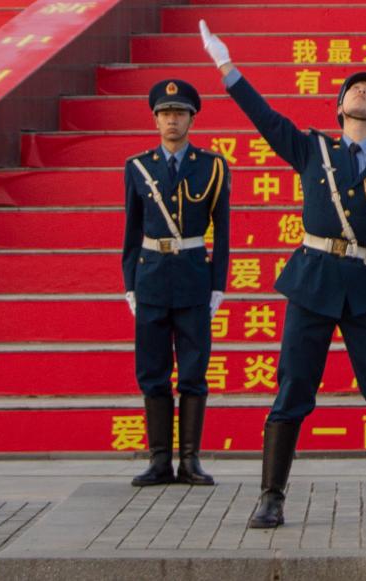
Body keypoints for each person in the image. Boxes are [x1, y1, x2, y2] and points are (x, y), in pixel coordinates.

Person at [195, 22, 366, 528]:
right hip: (312, 279)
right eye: (354, 88)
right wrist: (226, 66)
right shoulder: (312, 149)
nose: (361, 91)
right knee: (293, 389)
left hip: (365, 287)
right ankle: (271, 496)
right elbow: (264, 118)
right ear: (340, 108)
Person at [121, 78, 231, 487]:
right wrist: (129, 282)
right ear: (155, 120)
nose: (172, 120)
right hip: (150, 276)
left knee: (193, 371)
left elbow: (223, 230)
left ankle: (190, 461)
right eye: (166, 114)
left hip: (192, 277)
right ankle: (159, 461)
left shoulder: (213, 166)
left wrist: (218, 283)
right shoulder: (138, 167)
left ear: (192, 119)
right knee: (152, 371)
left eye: (180, 114)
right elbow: (131, 231)